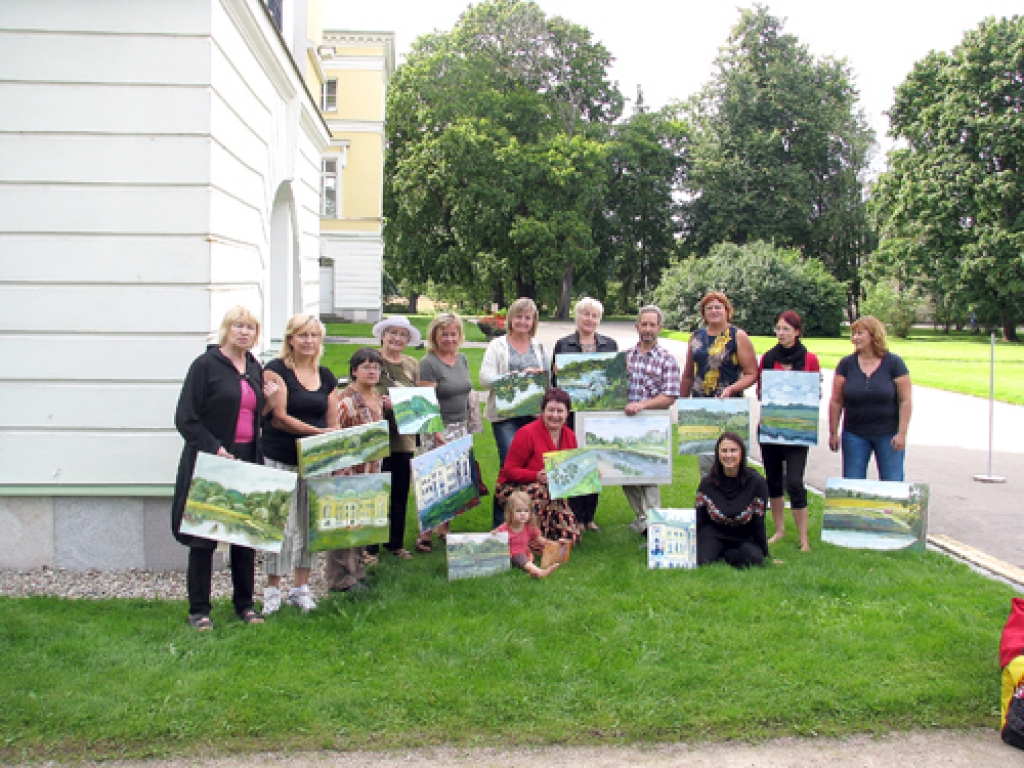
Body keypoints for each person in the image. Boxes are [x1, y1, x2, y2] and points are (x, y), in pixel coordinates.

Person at [171, 306, 277, 630]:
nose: (244, 332)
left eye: (250, 328)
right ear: (226, 329)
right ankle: (199, 610)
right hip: (213, 460)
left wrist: (268, 399)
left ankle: (245, 604)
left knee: (244, 535)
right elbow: (185, 418)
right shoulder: (205, 366)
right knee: (205, 538)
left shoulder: (253, 366)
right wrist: (214, 447)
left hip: (247, 457)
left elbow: (253, 417)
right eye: (238, 326)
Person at [262, 314, 341, 614]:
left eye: (314, 335)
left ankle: (301, 587)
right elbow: (279, 417)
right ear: (290, 339)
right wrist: (318, 433)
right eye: (302, 335)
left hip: (317, 459)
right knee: (280, 524)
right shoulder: (276, 370)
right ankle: (272, 589)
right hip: (281, 454)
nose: (308, 341)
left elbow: (333, 420)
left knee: (309, 525)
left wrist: (329, 437)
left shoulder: (327, 375)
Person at [479, 297, 550, 526]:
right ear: (510, 319)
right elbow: (484, 379)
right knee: (509, 468)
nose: (522, 321)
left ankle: (527, 524)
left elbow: (548, 382)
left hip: (533, 416)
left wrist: (542, 375)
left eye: (527, 318)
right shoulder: (497, 345)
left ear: (533, 321)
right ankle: (501, 523)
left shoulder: (539, 347)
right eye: (518, 316)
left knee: (532, 468)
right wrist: (516, 378)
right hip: (505, 417)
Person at [551, 296, 618, 534]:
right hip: (572, 415)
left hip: (598, 414)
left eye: (594, 315)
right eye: (585, 314)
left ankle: (590, 516)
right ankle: (576, 516)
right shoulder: (563, 344)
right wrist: (558, 374)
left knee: (595, 463)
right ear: (577, 316)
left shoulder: (609, 345)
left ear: (599, 319)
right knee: (575, 463)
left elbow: (613, 382)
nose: (589, 319)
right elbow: (554, 386)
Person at [757, 310, 820, 551]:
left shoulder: (810, 360)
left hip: (798, 429)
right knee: (773, 480)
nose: (781, 333)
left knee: (794, 481)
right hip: (771, 428)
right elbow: (762, 392)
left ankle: (803, 538)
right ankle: (780, 530)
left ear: (797, 332)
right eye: (778, 329)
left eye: (786, 329)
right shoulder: (768, 358)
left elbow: (814, 393)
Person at [328, 348, 387, 592]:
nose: (372, 371)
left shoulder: (377, 398)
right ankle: (340, 579)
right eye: (366, 367)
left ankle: (358, 570)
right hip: (349, 472)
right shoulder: (346, 402)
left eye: (375, 367)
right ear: (354, 371)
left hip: (371, 470)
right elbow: (335, 437)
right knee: (345, 525)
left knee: (363, 522)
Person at [828, 315, 912, 481]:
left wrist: (902, 433)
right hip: (855, 434)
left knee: (892, 482)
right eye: (854, 334)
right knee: (852, 483)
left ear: (874, 335)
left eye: (860, 333)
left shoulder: (894, 363)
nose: (855, 338)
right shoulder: (846, 364)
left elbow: (905, 400)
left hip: (888, 434)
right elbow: (836, 401)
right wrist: (833, 433)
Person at [416, 312, 473, 551]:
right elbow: (425, 402)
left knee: (454, 480)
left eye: (453, 334)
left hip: (461, 426)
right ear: (435, 336)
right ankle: (425, 533)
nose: (449, 339)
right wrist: (437, 432)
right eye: (444, 335)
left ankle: (445, 527)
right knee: (432, 480)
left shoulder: (462, 359)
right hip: (437, 428)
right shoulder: (428, 363)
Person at [494, 388, 580, 545]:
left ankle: (543, 532)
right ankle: (528, 537)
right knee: (541, 490)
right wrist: (535, 476)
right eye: (550, 410)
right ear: (543, 411)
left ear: (567, 413)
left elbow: (570, 471)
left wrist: (589, 474)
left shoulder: (570, 436)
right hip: (515, 488)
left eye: (560, 411)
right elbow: (509, 470)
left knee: (571, 538)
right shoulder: (527, 433)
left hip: (552, 491)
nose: (555, 415)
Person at [623, 305, 681, 533]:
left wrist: (642, 406)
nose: (648, 329)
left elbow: (670, 395)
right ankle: (641, 517)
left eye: (652, 325)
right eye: (644, 324)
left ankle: (654, 523)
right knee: (624, 473)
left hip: (652, 424)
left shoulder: (667, 359)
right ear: (637, 326)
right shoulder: (625, 356)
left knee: (649, 474)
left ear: (660, 328)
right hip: (625, 424)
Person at [371, 315, 423, 561]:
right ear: (383, 335)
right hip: (376, 435)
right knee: (374, 491)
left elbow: (419, 399)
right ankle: (369, 547)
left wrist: (400, 403)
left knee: (400, 491)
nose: (397, 338)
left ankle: (395, 543)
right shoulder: (371, 360)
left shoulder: (412, 364)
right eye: (392, 333)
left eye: (403, 335)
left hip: (404, 436)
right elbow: (360, 390)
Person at [695, 432, 769, 568]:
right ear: (718, 454)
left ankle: (727, 554)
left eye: (733, 451)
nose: (728, 455)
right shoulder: (707, 483)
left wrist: (765, 552)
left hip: (743, 536)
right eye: (724, 451)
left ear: (742, 453)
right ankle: (719, 551)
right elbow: (699, 518)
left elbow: (759, 521)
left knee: (755, 559)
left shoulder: (757, 482)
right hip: (714, 533)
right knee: (701, 561)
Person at [681, 291, 759, 399]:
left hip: (728, 402)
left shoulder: (738, 336)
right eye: (709, 308)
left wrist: (732, 389)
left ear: (727, 311)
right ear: (703, 313)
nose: (714, 311)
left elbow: (752, 374)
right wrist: (681, 403)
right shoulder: (695, 336)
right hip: (699, 403)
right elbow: (688, 376)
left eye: (718, 307)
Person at [493, 491, 562, 579]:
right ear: (510, 512)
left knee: (527, 555)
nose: (523, 514)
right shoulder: (505, 527)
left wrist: (553, 544)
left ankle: (532, 570)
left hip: (524, 554)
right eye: (518, 511)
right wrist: (494, 533)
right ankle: (539, 572)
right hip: (509, 556)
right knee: (519, 557)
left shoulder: (529, 527)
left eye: (526, 511)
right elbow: (493, 536)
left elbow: (540, 540)